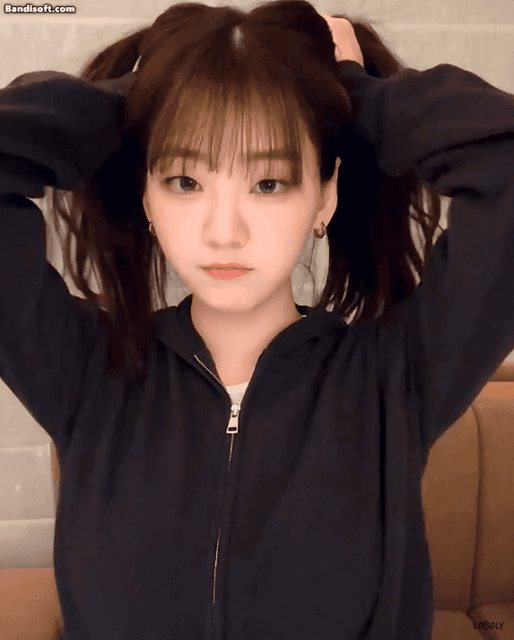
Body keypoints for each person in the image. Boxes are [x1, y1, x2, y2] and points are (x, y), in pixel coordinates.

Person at [0, 1, 513, 639]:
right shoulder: (87, 371)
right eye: (184, 181)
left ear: (325, 195)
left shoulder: (395, 377)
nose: (224, 231)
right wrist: (140, 95)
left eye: (268, 184)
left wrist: (350, 94)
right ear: (146, 195)